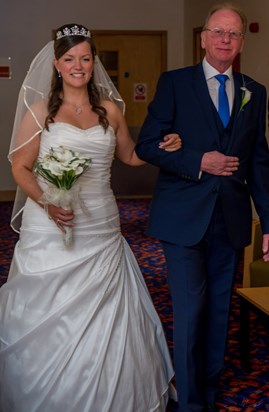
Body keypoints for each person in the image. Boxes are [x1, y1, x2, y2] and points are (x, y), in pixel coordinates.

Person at [0, 23, 182, 412]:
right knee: (49, 309)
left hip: (100, 224)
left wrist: (165, 147)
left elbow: (130, 156)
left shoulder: (110, 110)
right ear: (56, 64)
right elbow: (20, 168)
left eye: (85, 58)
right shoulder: (40, 112)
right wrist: (48, 204)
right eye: (69, 59)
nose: (78, 66)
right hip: (51, 223)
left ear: (93, 61)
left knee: (107, 314)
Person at [136, 3, 269, 412]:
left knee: (218, 312)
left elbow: (259, 161)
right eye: (218, 32)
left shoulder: (254, 90)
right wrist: (197, 160)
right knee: (191, 312)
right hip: (182, 219)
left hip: (230, 219)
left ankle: (209, 394)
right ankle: (191, 403)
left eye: (233, 33)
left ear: (242, 41)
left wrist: (268, 223)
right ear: (203, 37)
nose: (225, 39)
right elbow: (147, 145)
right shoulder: (175, 83)